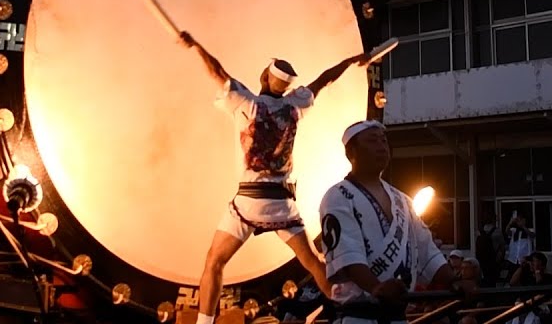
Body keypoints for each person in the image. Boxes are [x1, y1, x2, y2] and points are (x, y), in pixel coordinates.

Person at [179, 31, 376, 324]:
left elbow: (217, 71)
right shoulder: (294, 105)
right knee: (313, 262)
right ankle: (351, 312)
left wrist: (195, 46)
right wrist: (350, 61)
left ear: (264, 77)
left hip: (248, 202)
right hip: (282, 203)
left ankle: (204, 323)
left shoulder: (246, 103)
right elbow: (324, 79)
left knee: (215, 261)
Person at [318, 120, 467, 324]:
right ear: (351, 151)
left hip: (398, 315)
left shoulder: (403, 200)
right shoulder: (338, 196)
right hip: (358, 316)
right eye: (372, 141)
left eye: (384, 141)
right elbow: (348, 257)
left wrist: (454, 281)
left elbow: (427, 251)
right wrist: (376, 287)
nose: (381, 147)